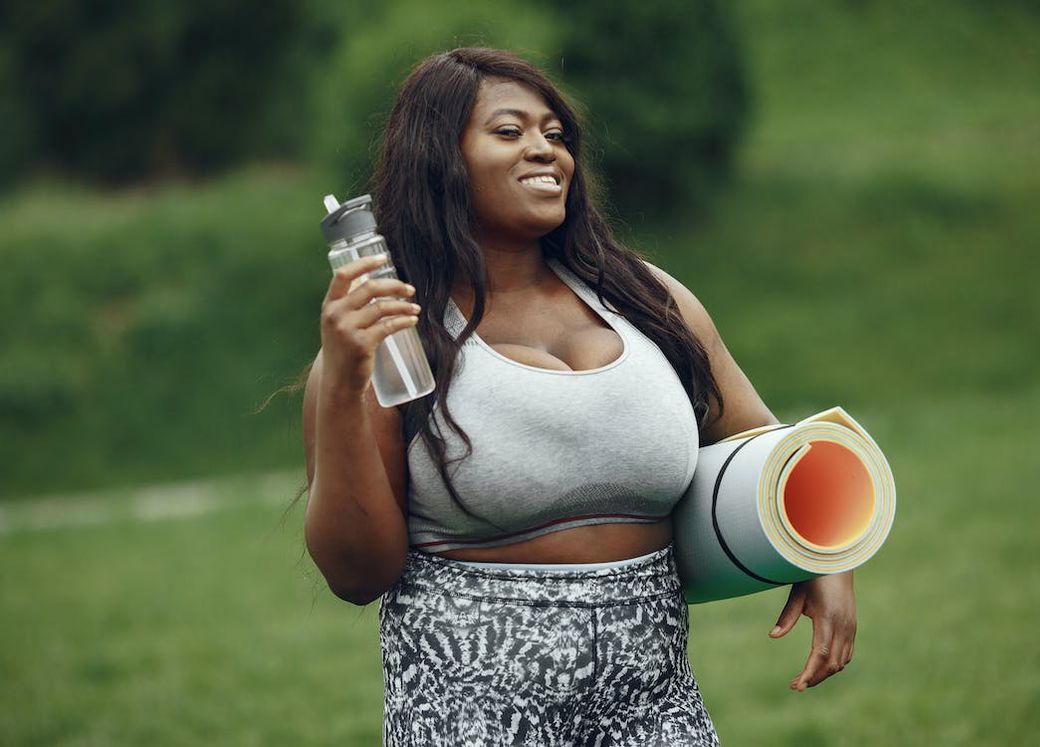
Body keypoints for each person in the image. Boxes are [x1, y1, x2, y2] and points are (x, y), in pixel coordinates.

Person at [302, 47, 857, 746]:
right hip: (471, 717)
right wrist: (343, 387)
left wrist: (826, 556)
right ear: (440, 159)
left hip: (654, 706)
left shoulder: (646, 299)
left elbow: (761, 446)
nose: (544, 149)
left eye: (556, 134)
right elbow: (356, 573)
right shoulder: (393, 342)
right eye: (509, 132)